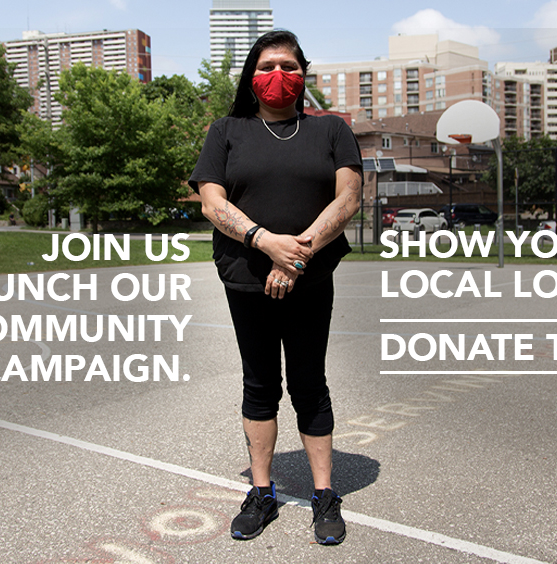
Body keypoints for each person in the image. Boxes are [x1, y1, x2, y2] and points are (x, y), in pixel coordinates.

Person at [188, 30, 362, 545]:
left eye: (289, 66)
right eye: (267, 67)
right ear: (250, 76)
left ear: (304, 74)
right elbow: (212, 204)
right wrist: (266, 243)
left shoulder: (331, 131)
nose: (278, 76)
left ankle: (324, 495)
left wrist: (296, 257)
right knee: (260, 385)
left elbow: (348, 198)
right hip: (245, 279)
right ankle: (261, 492)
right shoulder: (226, 131)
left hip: (310, 279)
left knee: (309, 383)